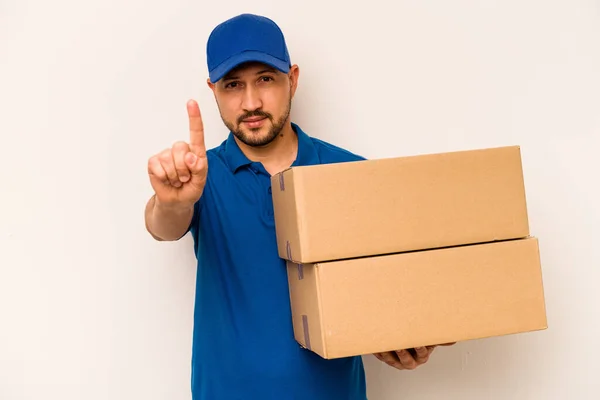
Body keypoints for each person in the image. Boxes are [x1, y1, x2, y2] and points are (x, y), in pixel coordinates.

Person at [144, 13, 452, 400]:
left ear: (292, 79)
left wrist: (406, 341)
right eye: (233, 85)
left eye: (266, 80)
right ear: (213, 90)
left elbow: (392, 290)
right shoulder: (200, 178)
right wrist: (173, 202)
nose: (251, 102)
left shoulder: (350, 173)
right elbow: (162, 224)